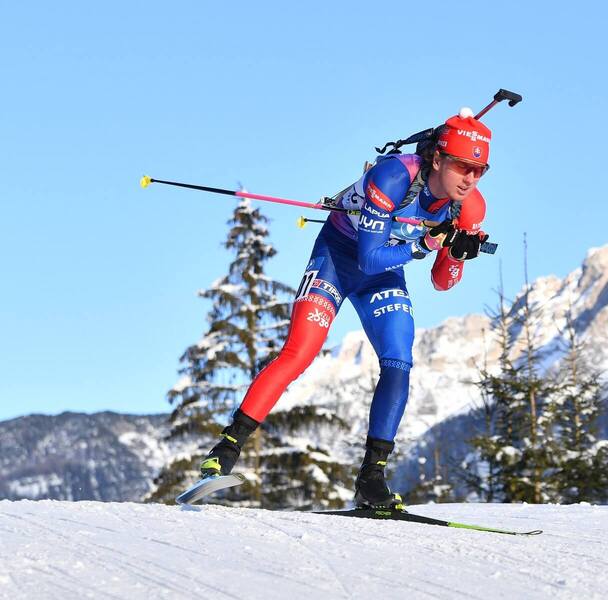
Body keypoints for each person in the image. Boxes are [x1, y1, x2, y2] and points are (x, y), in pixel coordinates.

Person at [198, 109, 492, 508]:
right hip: (338, 259)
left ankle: (371, 478)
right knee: (299, 352)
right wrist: (426, 245)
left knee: (399, 359)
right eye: (463, 166)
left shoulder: (470, 208)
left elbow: (442, 282)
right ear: (438, 159)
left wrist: (457, 254)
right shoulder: (392, 177)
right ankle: (224, 451)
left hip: (385, 274)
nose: (470, 179)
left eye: (480, 170)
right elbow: (369, 258)